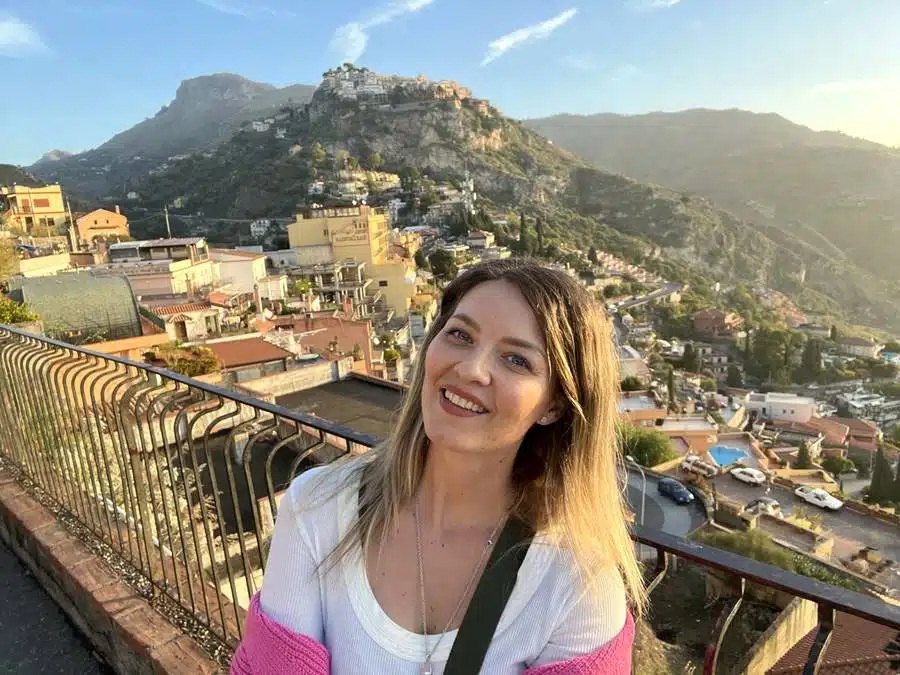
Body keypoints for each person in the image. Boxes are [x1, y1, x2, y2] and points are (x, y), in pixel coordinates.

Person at [231, 258, 644, 674]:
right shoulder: (316, 508)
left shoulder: (577, 583)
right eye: (461, 335)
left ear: (554, 405)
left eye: (516, 360)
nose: (470, 369)